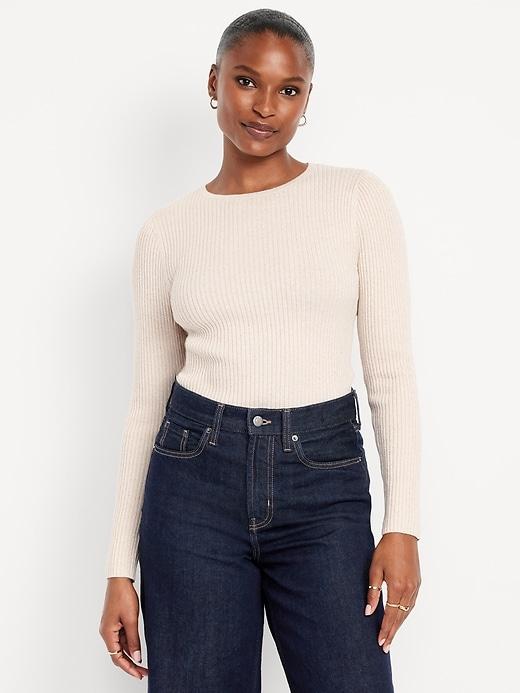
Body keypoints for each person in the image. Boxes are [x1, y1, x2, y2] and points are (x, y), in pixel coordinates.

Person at [99, 8, 422, 692]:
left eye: (288, 89)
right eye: (247, 81)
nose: (265, 106)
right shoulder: (167, 233)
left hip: (324, 484)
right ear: (214, 82)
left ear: (307, 98)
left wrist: (404, 527)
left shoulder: (357, 201)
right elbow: (144, 407)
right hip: (192, 486)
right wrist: (119, 569)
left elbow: (391, 375)